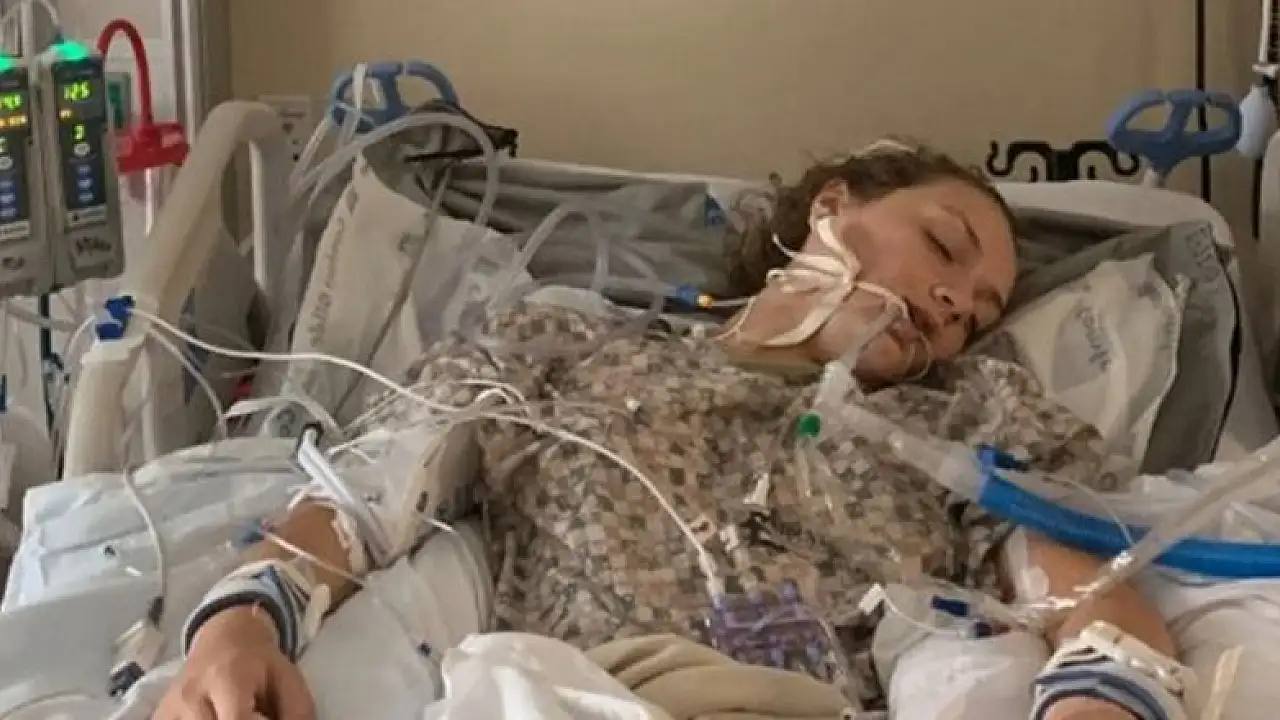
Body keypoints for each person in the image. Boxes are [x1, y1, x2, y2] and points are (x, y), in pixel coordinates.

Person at [153, 139, 1182, 720]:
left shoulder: (965, 419)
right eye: (944, 248)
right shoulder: (567, 349)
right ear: (831, 207)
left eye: (979, 312)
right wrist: (240, 623)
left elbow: (1087, 596)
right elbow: (371, 492)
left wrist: (1107, 695)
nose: (955, 306)